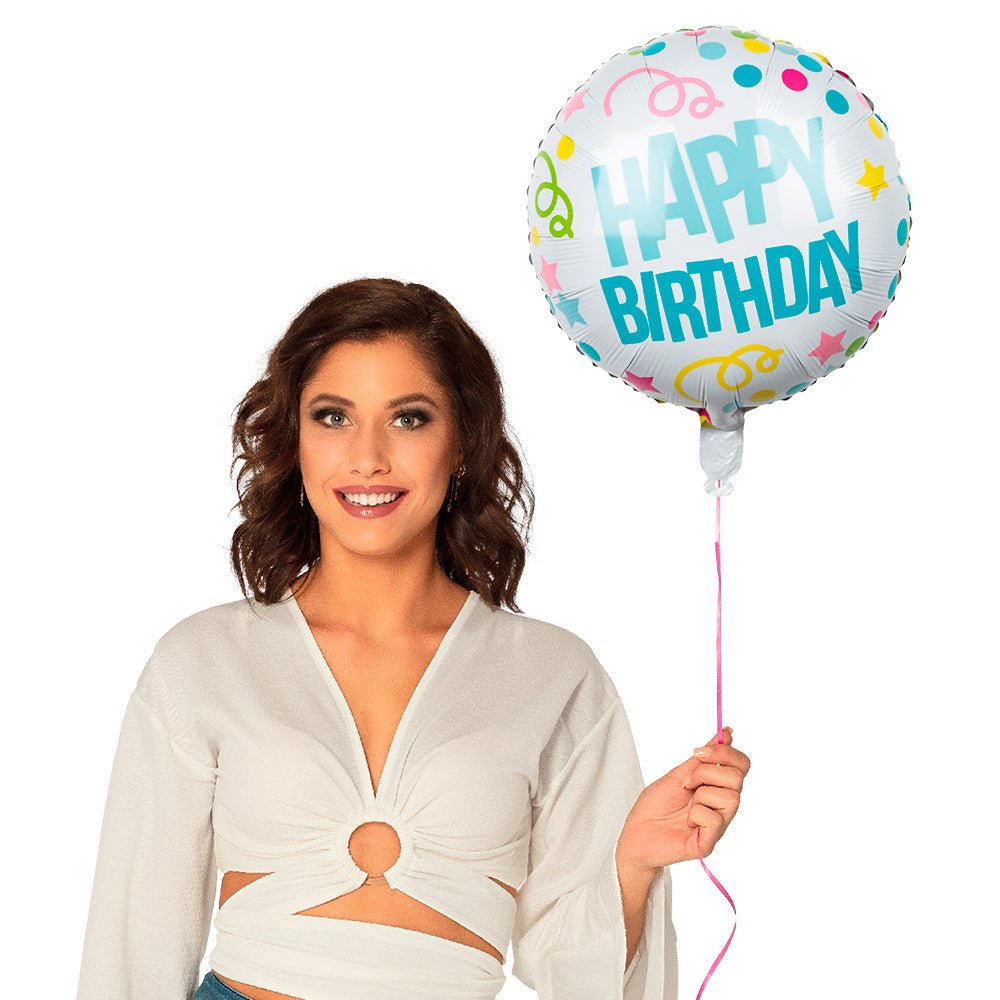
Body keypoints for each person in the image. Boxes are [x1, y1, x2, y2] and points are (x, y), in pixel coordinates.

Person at [75, 276, 750, 1000]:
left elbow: (572, 969)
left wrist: (634, 861)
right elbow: (134, 939)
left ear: (461, 442)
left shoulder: (555, 674)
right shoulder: (202, 661)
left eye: (408, 418)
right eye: (333, 416)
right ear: (295, 440)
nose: (367, 456)